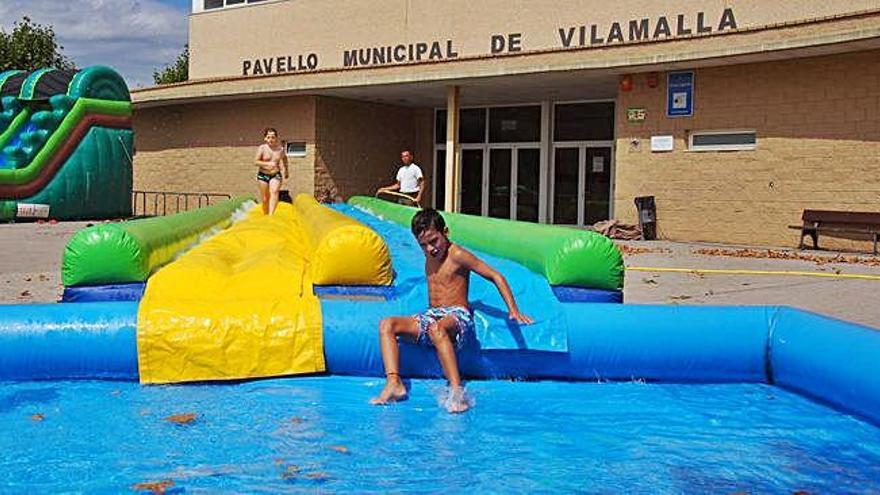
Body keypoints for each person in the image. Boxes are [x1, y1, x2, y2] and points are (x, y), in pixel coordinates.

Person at [370, 208, 533, 413]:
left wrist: (513, 311)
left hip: (457, 316)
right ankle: (394, 383)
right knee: (387, 324)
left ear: (445, 232)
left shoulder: (457, 254)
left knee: (437, 329)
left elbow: (496, 276)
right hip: (432, 316)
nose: (430, 249)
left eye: (434, 241)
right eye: (423, 245)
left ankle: (457, 391)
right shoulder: (430, 254)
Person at [254, 127, 289, 215]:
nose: (271, 139)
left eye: (273, 137)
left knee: (274, 192)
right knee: (265, 198)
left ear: (276, 138)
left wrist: (286, 170)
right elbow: (255, 162)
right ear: (265, 138)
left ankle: (271, 215)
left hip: (275, 174)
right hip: (263, 175)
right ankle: (265, 214)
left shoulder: (280, 149)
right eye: (269, 137)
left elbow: (285, 159)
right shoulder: (262, 148)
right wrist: (268, 164)